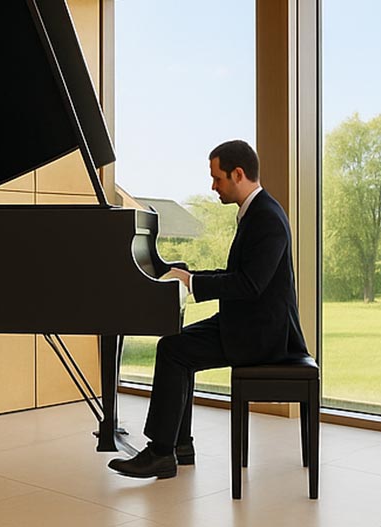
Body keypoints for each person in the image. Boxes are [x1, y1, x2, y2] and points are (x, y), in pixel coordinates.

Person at [108, 139, 309, 479]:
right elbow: (240, 277)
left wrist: (193, 284)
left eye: (217, 178)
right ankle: (179, 445)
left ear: (238, 174)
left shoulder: (266, 218)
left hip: (263, 335)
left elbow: (249, 285)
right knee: (177, 345)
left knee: (172, 350)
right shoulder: (257, 213)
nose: (213, 186)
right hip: (251, 323)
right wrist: (191, 276)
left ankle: (160, 452)